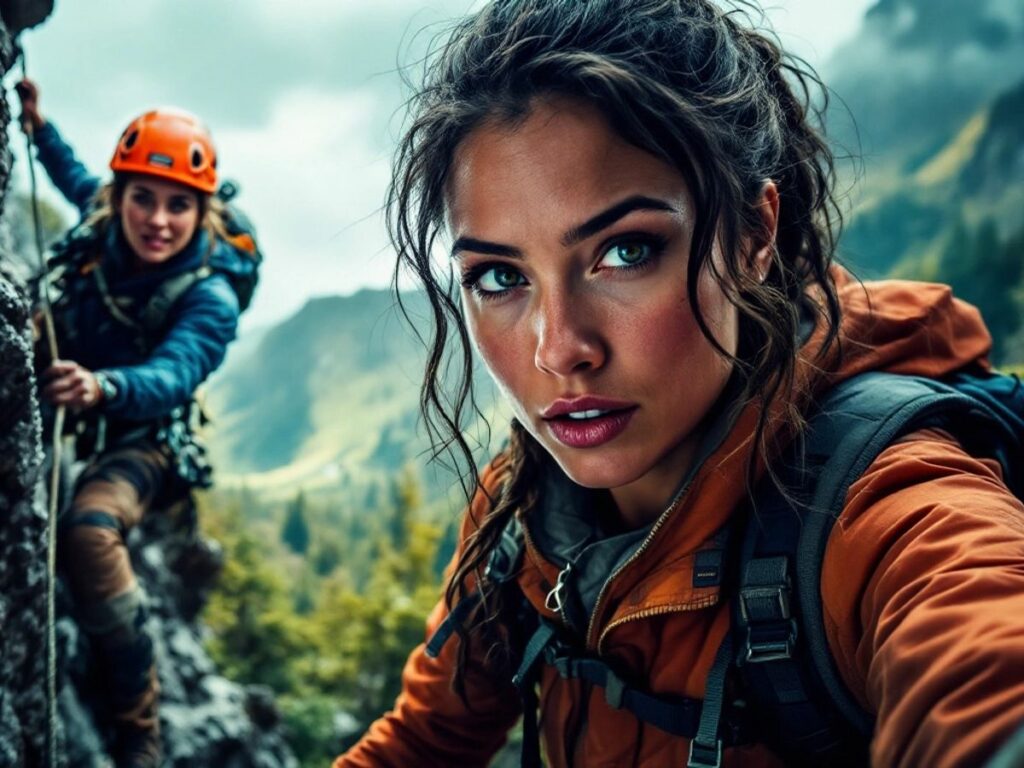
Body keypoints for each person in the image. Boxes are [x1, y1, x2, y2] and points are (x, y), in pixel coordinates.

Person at [333, 1, 1024, 767]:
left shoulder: (884, 505)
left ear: (756, 233)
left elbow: (982, 648)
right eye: (500, 276)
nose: (560, 350)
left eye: (625, 252)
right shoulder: (523, 506)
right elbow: (425, 739)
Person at [17, 78, 256, 768]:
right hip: (79, 401)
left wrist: (103, 386)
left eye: (179, 205)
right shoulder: (103, 220)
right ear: (120, 197)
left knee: (90, 534)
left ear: (202, 212)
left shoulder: (210, 297)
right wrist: (39, 127)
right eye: (142, 198)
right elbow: (74, 178)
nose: (157, 219)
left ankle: (137, 726)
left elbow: (175, 376)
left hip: (143, 442)